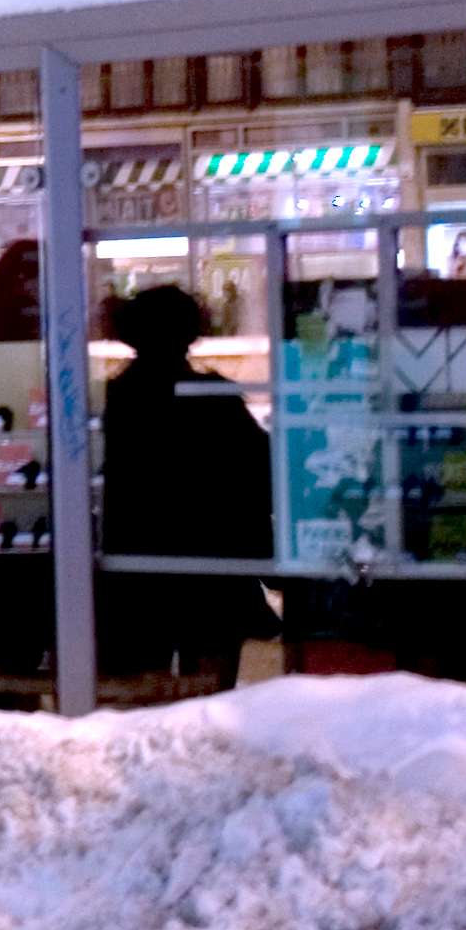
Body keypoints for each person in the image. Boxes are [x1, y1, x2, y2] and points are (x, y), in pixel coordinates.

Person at [96, 285, 277, 691]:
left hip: (137, 567)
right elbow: (259, 474)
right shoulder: (216, 398)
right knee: (212, 691)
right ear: (191, 332)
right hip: (212, 567)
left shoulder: (113, 398)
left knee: (142, 690)